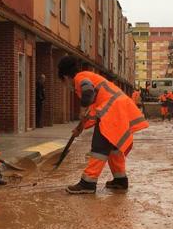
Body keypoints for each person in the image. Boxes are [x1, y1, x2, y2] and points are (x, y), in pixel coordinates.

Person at [57, 56, 149, 194]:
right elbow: (92, 113)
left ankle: (88, 183)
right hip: (118, 110)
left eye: (64, 82)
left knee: (99, 147)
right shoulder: (90, 76)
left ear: (65, 77)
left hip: (113, 112)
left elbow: (87, 92)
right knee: (114, 147)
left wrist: (82, 109)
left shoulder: (80, 78)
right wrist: (79, 129)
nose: (67, 86)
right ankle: (120, 180)